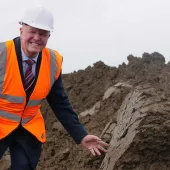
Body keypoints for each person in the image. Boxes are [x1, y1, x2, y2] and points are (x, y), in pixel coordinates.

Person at [0, 6, 109, 170]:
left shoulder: (53, 61)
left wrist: (81, 135)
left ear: (49, 36)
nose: (37, 38)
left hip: (28, 128)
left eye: (43, 34)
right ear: (21, 30)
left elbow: (60, 103)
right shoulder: (2, 54)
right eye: (33, 31)